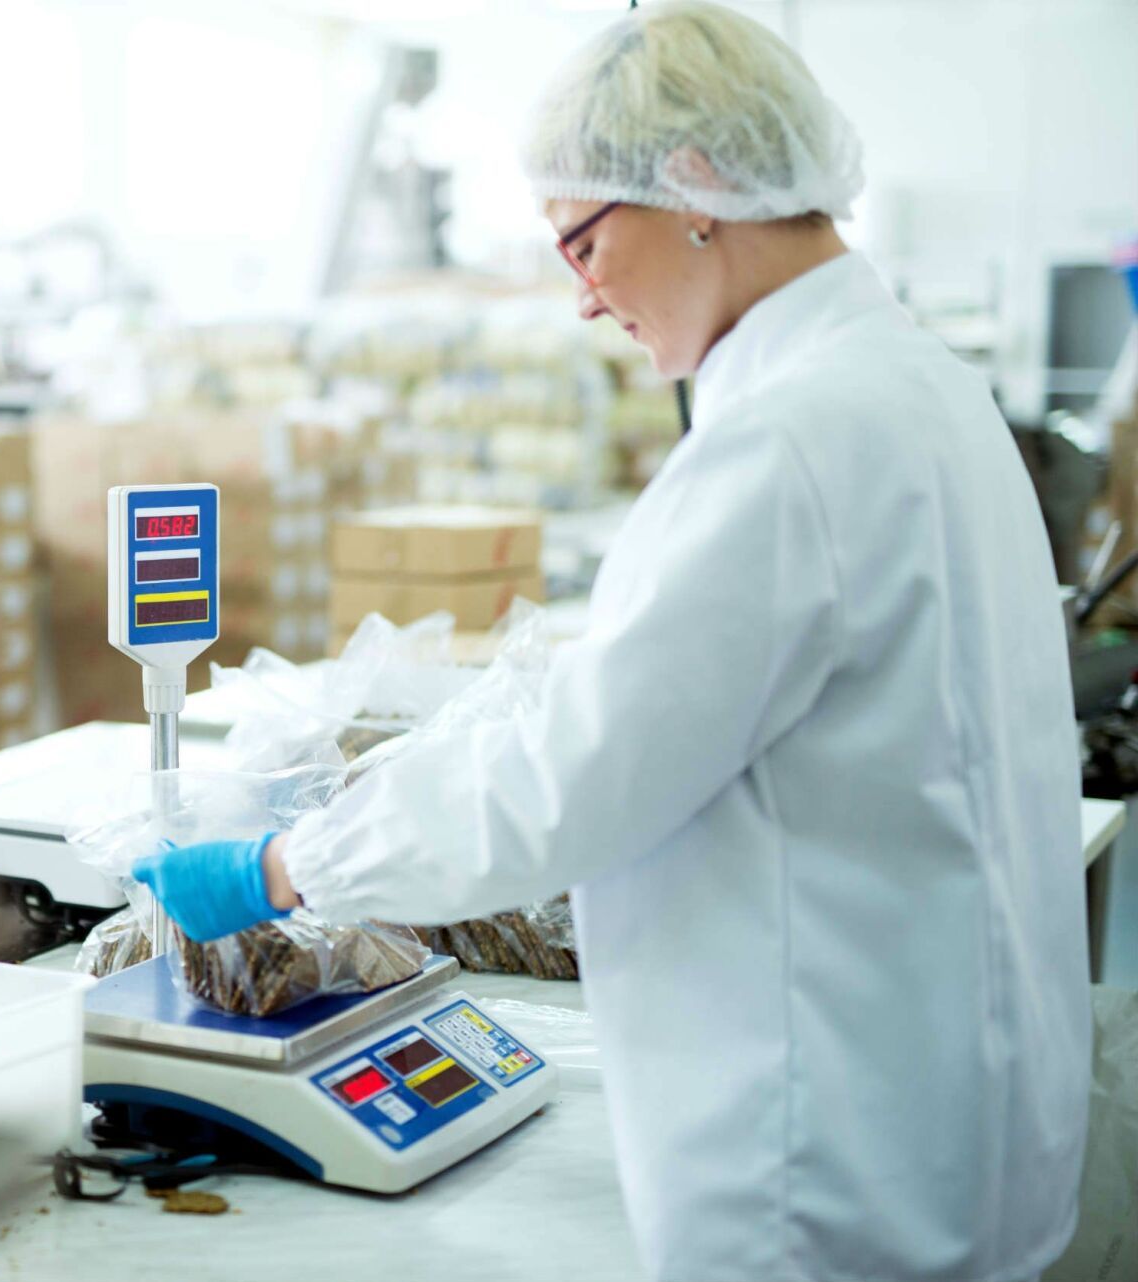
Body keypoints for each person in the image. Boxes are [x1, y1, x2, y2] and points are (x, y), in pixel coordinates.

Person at [129, 4, 1092, 1279]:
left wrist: (287, 862)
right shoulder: (923, 386)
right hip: (952, 1122)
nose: (583, 299)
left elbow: (556, 790)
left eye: (581, 241)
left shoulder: (784, 447)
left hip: (823, 1176)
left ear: (694, 185)